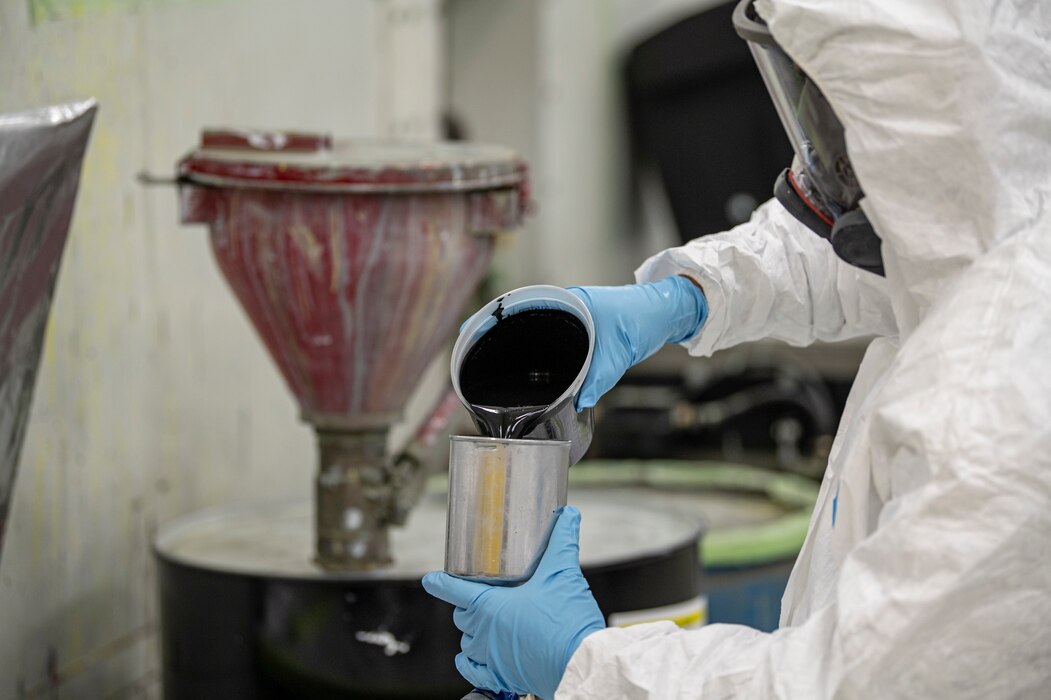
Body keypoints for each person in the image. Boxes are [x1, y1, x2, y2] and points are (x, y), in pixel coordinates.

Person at [423, 0, 1051, 696]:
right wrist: (685, 296)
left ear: (925, 117)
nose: (825, 161)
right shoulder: (995, 214)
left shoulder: (1007, 395)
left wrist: (584, 664)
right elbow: (875, 248)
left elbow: (837, 689)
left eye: (847, 119)